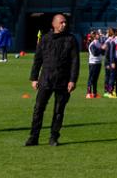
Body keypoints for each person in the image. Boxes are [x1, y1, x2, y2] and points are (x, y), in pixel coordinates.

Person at [26, 13, 79, 146]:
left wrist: (72, 80)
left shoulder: (71, 39)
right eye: (61, 22)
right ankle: (33, 137)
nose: (64, 25)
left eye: (65, 22)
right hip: (46, 79)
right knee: (38, 108)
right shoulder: (45, 39)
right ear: (54, 24)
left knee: (59, 110)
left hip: (63, 80)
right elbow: (38, 59)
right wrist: (34, 78)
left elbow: (75, 62)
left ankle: (54, 137)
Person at [85, 30, 104, 98]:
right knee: (91, 78)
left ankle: (94, 93)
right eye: (97, 34)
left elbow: (102, 52)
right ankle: (88, 93)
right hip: (93, 63)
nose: (99, 35)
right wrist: (101, 49)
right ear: (94, 36)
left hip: (98, 62)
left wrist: (102, 49)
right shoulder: (92, 44)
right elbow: (95, 53)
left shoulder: (98, 43)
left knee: (95, 79)